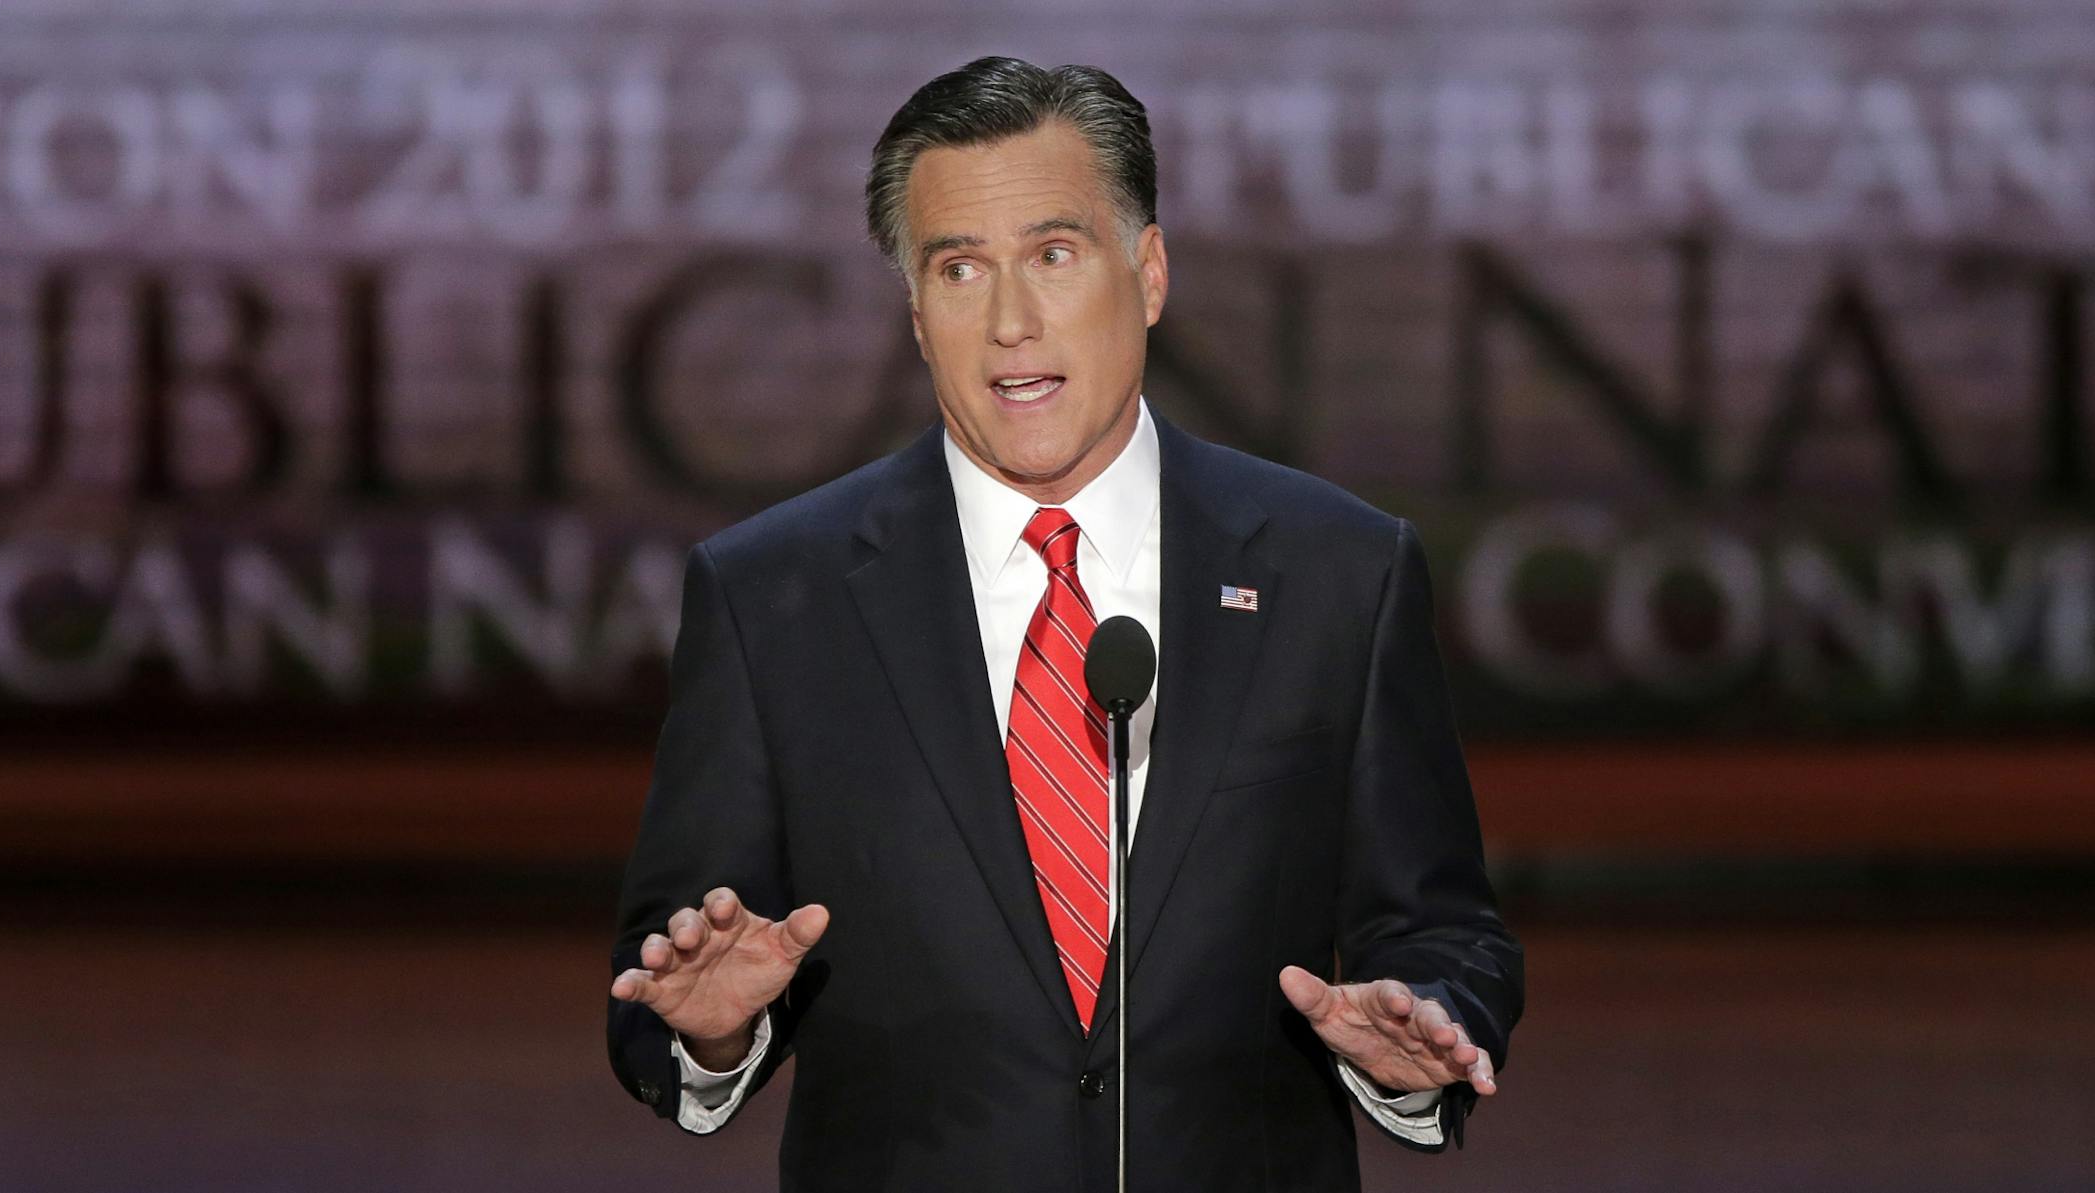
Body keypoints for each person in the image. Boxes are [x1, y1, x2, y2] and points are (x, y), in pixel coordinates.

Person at [607, 56, 1523, 1192]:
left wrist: (1420, 1027)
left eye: (1053, 255)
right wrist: (711, 1035)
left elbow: (1442, 930)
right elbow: (669, 980)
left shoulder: (1338, 571)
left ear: (1149, 272)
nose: (1010, 322)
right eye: (959, 269)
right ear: (916, 314)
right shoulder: (771, 597)